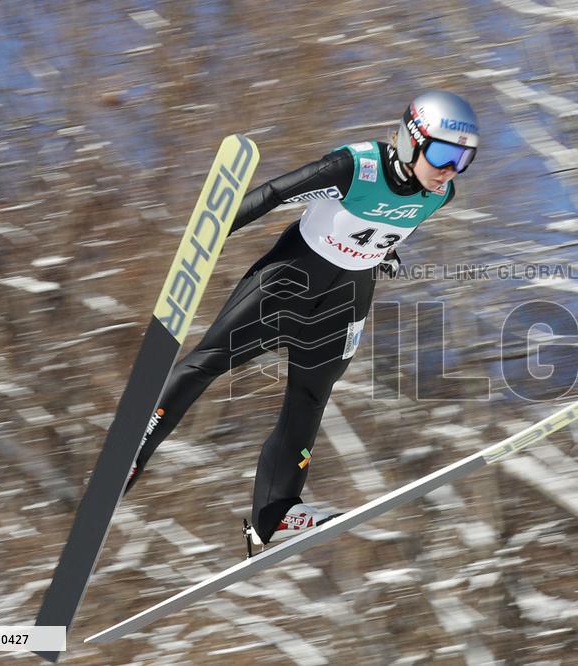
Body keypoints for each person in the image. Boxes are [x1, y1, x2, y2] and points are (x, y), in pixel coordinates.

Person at [125, 90, 480, 545]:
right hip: (291, 278)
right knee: (209, 361)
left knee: (311, 396)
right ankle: (133, 451)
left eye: (463, 160)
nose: (451, 170)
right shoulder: (355, 167)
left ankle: (274, 513)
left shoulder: (441, 194)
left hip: (348, 298)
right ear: (412, 140)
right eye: (444, 155)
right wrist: (211, 232)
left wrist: (387, 253)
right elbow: (276, 193)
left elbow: (389, 223)